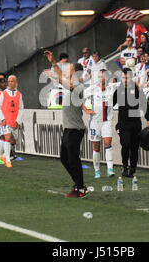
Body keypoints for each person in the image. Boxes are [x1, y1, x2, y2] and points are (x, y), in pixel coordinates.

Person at [43, 50, 88, 198]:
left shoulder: (79, 86)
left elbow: (66, 83)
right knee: (64, 157)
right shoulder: (70, 84)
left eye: (69, 69)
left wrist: (57, 74)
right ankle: (78, 183)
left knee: (73, 158)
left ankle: (80, 188)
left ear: (74, 72)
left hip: (76, 128)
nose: (67, 71)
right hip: (68, 128)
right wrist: (53, 62)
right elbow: (62, 78)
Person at [113, 67, 149, 178]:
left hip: (135, 123)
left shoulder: (137, 90)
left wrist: (148, 119)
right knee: (125, 144)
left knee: (134, 147)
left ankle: (132, 169)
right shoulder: (118, 90)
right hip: (123, 124)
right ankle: (125, 166)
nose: (125, 80)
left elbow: (144, 105)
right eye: (124, 77)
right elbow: (110, 103)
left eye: (127, 77)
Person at [83, 69, 117, 178]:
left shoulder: (112, 87)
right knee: (96, 146)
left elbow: (128, 83)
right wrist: (87, 110)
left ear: (107, 77)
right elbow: (78, 97)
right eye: (99, 76)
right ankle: (97, 170)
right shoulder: (93, 88)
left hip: (107, 121)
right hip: (95, 122)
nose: (100, 78)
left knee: (107, 142)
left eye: (102, 76)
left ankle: (110, 169)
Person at [0, 75, 24, 168]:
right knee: (7, 138)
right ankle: (8, 160)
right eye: (9, 81)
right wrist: (2, 118)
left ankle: (3, 157)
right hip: (6, 120)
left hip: (14, 121)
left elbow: (21, 108)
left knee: (14, 141)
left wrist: (18, 121)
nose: (10, 83)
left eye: (12, 81)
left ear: (16, 83)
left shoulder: (19, 94)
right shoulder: (4, 93)